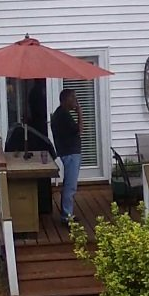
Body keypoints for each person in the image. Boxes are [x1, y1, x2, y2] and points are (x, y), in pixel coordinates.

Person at [50, 88, 82, 225]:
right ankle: (67, 216)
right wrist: (80, 113)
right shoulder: (63, 115)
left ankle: (66, 213)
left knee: (69, 183)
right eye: (73, 98)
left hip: (68, 152)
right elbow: (79, 130)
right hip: (70, 153)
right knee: (70, 185)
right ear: (65, 100)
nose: (76, 101)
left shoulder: (61, 113)